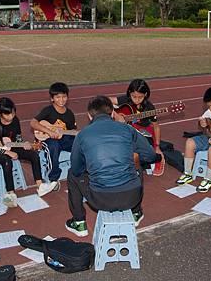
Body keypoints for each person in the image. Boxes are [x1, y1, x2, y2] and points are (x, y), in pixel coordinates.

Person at [65, 96, 157, 237]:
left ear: (89, 116)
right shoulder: (128, 129)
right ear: (113, 113)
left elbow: (77, 169)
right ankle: (136, 212)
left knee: (72, 174)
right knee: (137, 164)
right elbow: (150, 156)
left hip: (100, 199)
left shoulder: (82, 135)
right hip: (132, 197)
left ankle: (79, 222)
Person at [0, 97, 54, 206]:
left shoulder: (15, 120)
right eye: (7, 114)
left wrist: (23, 144)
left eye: (12, 113)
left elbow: (17, 139)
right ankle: (11, 194)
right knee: (7, 161)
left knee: (34, 155)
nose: (11, 116)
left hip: (12, 146)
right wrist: (7, 152)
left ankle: (40, 185)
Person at [110, 79, 165, 176]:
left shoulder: (149, 107)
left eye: (140, 97)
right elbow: (104, 101)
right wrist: (116, 115)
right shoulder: (126, 100)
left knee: (140, 146)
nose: (136, 99)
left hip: (143, 132)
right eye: (134, 96)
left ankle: (157, 159)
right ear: (129, 93)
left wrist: (157, 147)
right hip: (126, 130)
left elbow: (156, 127)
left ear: (146, 94)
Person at [30, 82, 77, 193]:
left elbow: (72, 131)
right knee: (53, 147)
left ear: (67, 97)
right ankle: (53, 179)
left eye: (64, 96)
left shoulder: (69, 114)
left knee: (79, 143)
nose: (61, 99)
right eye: (58, 97)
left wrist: (78, 134)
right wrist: (49, 132)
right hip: (47, 139)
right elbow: (33, 122)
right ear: (52, 99)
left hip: (64, 139)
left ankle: (81, 171)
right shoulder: (48, 110)